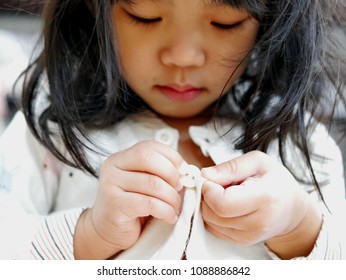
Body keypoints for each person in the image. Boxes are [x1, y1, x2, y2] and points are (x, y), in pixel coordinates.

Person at [1, 0, 346, 260]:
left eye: (225, 22)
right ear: (95, 9)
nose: (183, 56)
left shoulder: (299, 141)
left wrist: (299, 227)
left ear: (270, 19)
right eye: (145, 17)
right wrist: (89, 235)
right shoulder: (52, 133)